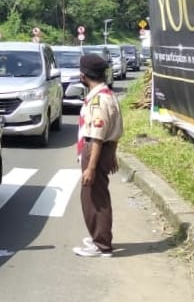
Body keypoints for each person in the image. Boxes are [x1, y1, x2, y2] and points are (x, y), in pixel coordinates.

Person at [73, 54, 124, 258]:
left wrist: (91, 167)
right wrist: (111, 154)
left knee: (93, 199)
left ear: (83, 75)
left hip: (95, 151)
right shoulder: (108, 94)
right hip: (104, 150)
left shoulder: (98, 100)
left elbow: (97, 136)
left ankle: (101, 244)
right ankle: (99, 237)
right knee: (97, 195)